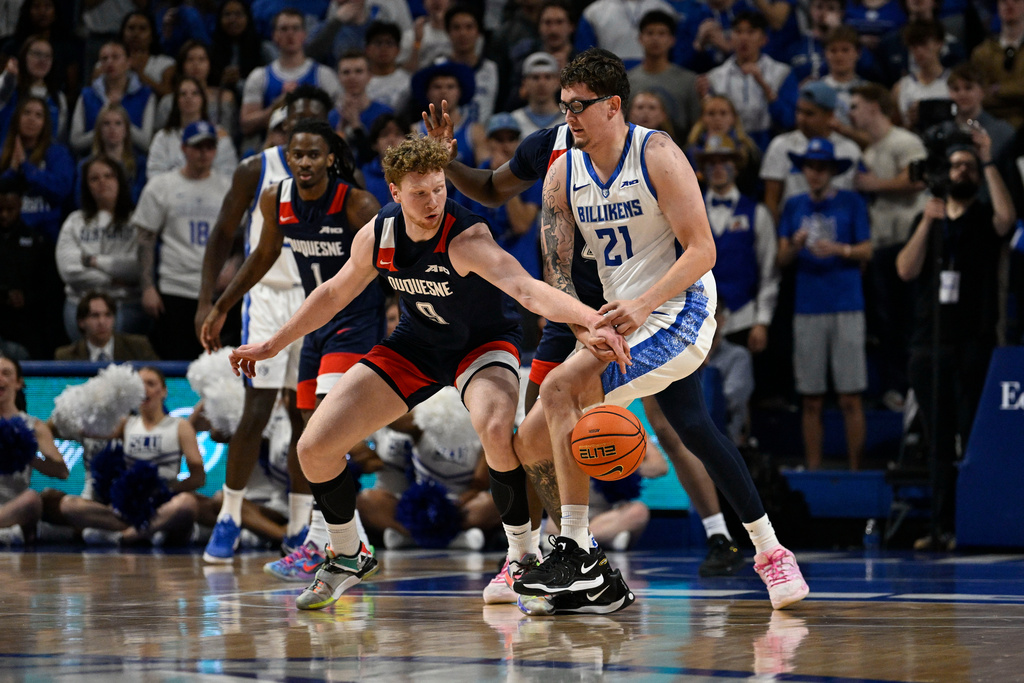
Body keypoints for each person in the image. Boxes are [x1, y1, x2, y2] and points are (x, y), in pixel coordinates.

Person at [227, 133, 630, 611]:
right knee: (315, 447)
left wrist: (591, 319)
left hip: (480, 345)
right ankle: (348, 552)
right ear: (395, 193)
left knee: (498, 427)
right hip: (416, 346)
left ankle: (520, 555)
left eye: (439, 188)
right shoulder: (378, 234)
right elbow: (333, 294)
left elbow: (525, 288)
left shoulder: (467, 238)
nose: (433, 200)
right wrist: (273, 344)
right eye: (419, 193)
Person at [506, 47, 807, 615]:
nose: (567, 118)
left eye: (579, 107)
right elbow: (560, 270)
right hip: (618, 315)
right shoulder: (562, 170)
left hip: (679, 308)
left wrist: (643, 303)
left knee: (562, 388)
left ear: (613, 105)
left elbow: (703, 249)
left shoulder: (658, 153)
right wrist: (584, 321)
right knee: (537, 440)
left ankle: (575, 552)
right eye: (563, 107)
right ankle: (771, 552)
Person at [205, 120, 383, 570]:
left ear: (329, 158)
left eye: (313, 154)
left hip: (355, 321)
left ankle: (331, 543)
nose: (304, 162)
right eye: (296, 154)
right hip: (316, 320)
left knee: (326, 427)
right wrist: (221, 306)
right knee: (309, 432)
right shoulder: (275, 198)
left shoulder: (357, 203)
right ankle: (342, 540)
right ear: (286, 157)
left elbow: (393, 260)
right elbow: (262, 257)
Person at [195, 86, 335, 568]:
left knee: (306, 416)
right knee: (256, 410)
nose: (302, 124)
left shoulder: (337, 177)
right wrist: (208, 300)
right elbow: (222, 234)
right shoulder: (257, 169)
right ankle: (229, 515)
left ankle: (299, 525)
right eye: (295, 119)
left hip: (315, 299)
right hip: (268, 298)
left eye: (313, 119)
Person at [896, 131, 1015, 551]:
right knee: (937, 441)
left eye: (967, 166)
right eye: (956, 165)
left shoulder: (983, 215)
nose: (960, 171)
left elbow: (1007, 219)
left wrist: (987, 160)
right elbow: (905, 270)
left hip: (974, 341)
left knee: (973, 435)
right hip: (930, 343)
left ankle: (974, 523)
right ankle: (941, 527)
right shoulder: (929, 217)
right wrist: (928, 220)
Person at [776, 138, 873, 471]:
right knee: (811, 398)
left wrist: (839, 250)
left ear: (831, 171)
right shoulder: (793, 205)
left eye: (821, 167)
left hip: (847, 303)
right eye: (810, 167)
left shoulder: (852, 203)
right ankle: (814, 473)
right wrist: (797, 245)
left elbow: (867, 250)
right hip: (808, 307)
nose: (815, 173)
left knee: (850, 396)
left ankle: (856, 472)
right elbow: (781, 258)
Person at [54, 366, 206, 546]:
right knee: (69, 505)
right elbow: (86, 430)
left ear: (163, 391)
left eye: (151, 384)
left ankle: (123, 536)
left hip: (163, 502)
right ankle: (146, 532)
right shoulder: (126, 424)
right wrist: (87, 400)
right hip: (130, 505)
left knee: (187, 504)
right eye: (139, 385)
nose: (144, 389)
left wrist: (168, 490)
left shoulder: (180, 426)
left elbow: (199, 477)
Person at [848, 83, 927, 408]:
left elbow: (919, 179)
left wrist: (876, 184)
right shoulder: (870, 151)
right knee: (889, 323)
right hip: (881, 245)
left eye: (855, 106)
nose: (850, 112)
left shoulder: (905, 141)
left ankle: (915, 387)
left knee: (909, 319)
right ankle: (898, 386)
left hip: (908, 242)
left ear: (874, 107)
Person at [136, 121, 231, 360]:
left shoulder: (228, 187)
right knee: (176, 361)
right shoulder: (162, 186)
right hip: (175, 286)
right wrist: (147, 286)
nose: (203, 153)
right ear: (184, 148)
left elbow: (241, 236)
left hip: (217, 291)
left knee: (215, 363)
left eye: (209, 147)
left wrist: (234, 265)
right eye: (197, 147)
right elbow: (145, 238)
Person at [697, 135, 779, 356]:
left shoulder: (757, 213)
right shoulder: (690, 214)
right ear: (703, 167)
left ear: (737, 165)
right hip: (698, 321)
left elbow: (768, 271)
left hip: (744, 318)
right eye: (711, 162)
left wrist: (762, 321)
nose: (718, 168)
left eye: (725, 161)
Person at [56, 158, 146, 340]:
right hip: (80, 305)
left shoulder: (137, 221)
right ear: (86, 186)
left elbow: (137, 268)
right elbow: (69, 270)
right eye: (94, 178)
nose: (102, 182)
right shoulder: (75, 221)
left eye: (109, 176)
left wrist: (94, 262)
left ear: (120, 180)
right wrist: (113, 279)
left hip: (126, 304)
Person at [240, 9, 341, 151]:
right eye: (284, 29)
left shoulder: (323, 75)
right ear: (274, 35)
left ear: (304, 35)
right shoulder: (260, 76)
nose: (290, 34)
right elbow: (246, 125)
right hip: (274, 149)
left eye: (295, 28)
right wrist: (276, 107)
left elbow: (338, 119)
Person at [0, 356, 69, 546]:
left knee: (32, 499)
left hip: (16, 506)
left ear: (18, 382)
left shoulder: (34, 426)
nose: (0, 379)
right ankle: (7, 533)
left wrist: (26, 454)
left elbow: (62, 471)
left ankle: (10, 531)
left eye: (6, 374)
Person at [70, 40, 155, 156]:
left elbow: (146, 143)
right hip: (95, 162)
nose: (109, 62)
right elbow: (76, 142)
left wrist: (120, 120)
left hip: (133, 164)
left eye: (115, 57)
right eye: (104, 59)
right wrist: (104, 129)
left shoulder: (145, 95)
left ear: (128, 62)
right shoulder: (87, 95)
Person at [627, 10, 700, 139]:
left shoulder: (688, 81)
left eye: (662, 33)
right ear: (640, 38)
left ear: (672, 40)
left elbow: (696, 126)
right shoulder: (627, 81)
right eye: (650, 33)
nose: (655, 38)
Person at [147, 77, 238, 179]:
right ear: (176, 101)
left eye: (195, 93)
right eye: (183, 94)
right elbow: (154, 175)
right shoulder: (163, 137)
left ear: (203, 99)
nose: (189, 97)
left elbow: (228, 175)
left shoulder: (219, 134)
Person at [54, 292, 158, 362]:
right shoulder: (65, 357)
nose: (102, 322)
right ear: (81, 322)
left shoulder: (139, 347)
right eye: (95, 316)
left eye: (108, 315)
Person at [76, 103, 147, 206]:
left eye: (118, 123)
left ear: (126, 129)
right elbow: (80, 200)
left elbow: (138, 199)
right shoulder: (85, 165)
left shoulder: (140, 164)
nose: (112, 128)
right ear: (99, 130)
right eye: (106, 123)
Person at [0, 35, 68, 141]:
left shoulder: (58, 98)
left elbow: (58, 138)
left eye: (47, 56)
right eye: (37, 54)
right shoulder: (10, 87)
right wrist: (10, 76)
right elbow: (4, 89)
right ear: (24, 56)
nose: (42, 60)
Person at [970, 0, 1024, 128]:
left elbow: (989, 92)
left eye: (1016, 0)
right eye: (1004, 1)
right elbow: (980, 96)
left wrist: (999, 90)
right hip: (991, 124)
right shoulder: (982, 52)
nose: (1009, 4)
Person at [117, 10, 176, 98]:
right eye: (131, 28)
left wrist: (140, 74)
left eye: (142, 29)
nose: (136, 34)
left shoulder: (166, 63)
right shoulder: (109, 62)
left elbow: (169, 95)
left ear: (152, 35)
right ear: (123, 33)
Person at [510, 51, 563, 139]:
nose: (541, 83)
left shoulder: (569, 121)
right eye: (535, 77)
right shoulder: (514, 121)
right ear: (524, 83)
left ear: (558, 82)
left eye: (548, 77)